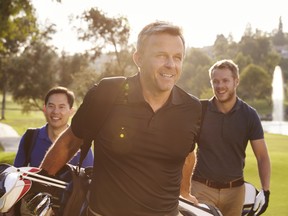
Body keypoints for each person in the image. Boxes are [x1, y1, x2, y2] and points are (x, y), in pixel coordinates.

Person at [40, 21, 202, 216]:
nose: (171, 64)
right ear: (138, 58)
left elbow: (187, 154)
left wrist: (184, 191)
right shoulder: (107, 93)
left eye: (177, 57)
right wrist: (38, 184)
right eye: (161, 55)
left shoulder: (192, 108)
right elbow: (70, 142)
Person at [183, 59, 271, 216]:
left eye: (225, 80)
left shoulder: (249, 115)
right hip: (201, 189)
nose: (220, 86)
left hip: (236, 193)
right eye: (215, 81)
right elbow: (185, 152)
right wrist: (182, 188)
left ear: (236, 81)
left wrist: (265, 191)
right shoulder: (200, 111)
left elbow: (262, 156)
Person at [14, 86, 94, 168]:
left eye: (61, 107)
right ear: (45, 109)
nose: (55, 111)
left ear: (71, 111)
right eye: (51, 106)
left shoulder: (81, 143)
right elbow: (16, 174)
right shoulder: (30, 137)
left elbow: (88, 178)